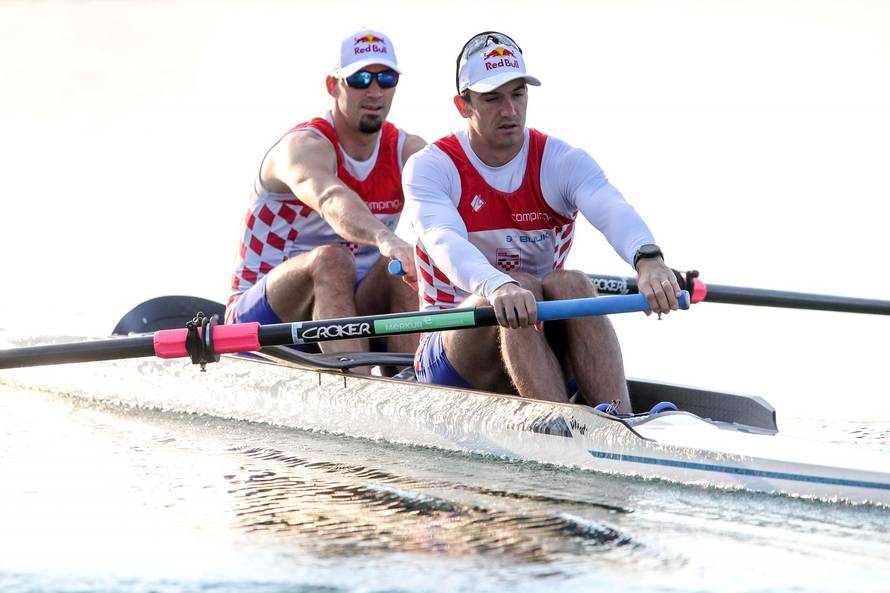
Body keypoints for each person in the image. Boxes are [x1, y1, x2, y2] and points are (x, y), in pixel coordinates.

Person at [403, 31, 681, 411]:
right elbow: (442, 239)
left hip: (537, 338)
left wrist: (648, 260)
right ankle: (559, 426)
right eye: (492, 98)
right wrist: (497, 285)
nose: (510, 110)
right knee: (524, 286)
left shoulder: (560, 161)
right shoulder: (432, 167)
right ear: (462, 105)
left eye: (518, 94)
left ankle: (621, 421)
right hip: (453, 355)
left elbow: (611, 207)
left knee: (571, 283)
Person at [226, 29, 425, 360]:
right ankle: (357, 392)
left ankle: (416, 390)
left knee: (406, 265)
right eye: (361, 79)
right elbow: (331, 199)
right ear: (333, 86)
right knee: (332, 259)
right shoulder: (303, 147)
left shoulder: (410, 151)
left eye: (386, 78)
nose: (375, 91)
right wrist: (382, 235)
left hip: (346, 311)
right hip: (261, 321)